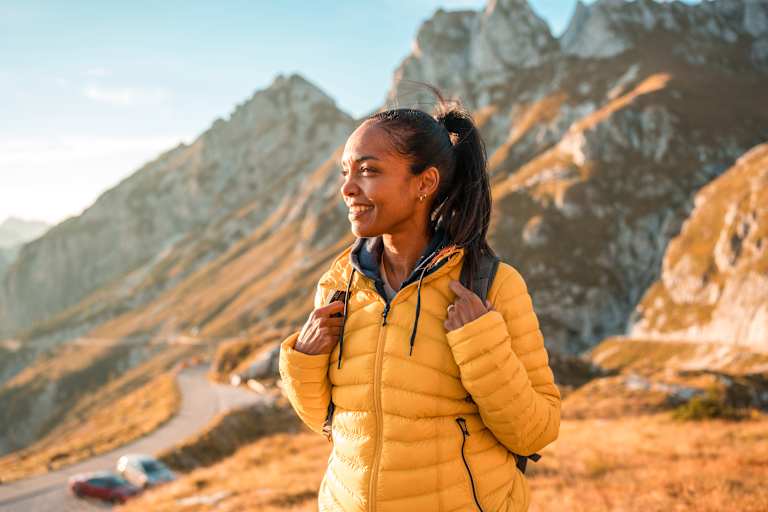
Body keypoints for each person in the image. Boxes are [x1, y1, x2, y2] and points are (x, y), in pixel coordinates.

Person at [279, 84, 561, 512]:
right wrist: (304, 356)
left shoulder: (492, 285)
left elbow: (535, 433)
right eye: (345, 172)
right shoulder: (338, 284)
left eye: (368, 171)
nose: (347, 188)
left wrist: (481, 344)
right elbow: (324, 421)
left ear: (424, 182)